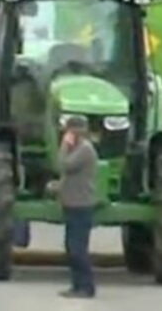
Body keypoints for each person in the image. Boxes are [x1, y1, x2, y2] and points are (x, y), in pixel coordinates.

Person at [57, 115, 98, 299]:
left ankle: (86, 287)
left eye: (69, 130)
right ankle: (76, 286)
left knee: (77, 249)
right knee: (71, 248)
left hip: (81, 206)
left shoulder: (85, 149)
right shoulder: (79, 149)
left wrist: (65, 144)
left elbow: (65, 165)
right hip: (72, 204)